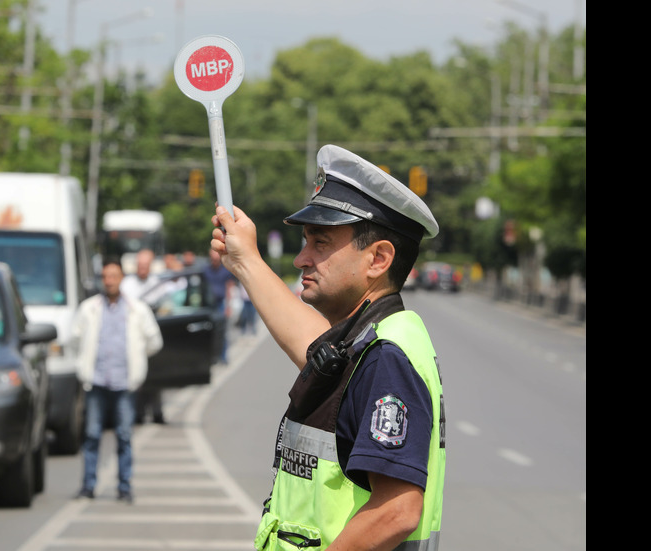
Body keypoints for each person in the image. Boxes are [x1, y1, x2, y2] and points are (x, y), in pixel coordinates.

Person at [210, 144, 445, 550]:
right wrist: (245, 258)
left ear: (378, 259)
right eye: (305, 242)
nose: (302, 258)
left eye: (320, 243)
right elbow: (312, 345)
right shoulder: (369, 339)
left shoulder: (385, 355)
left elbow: (398, 510)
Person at [71, 258, 163, 503]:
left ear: (122, 279)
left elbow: (155, 341)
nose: (109, 281)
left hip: (124, 383)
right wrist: (83, 365)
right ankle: (88, 486)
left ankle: (124, 487)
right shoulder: (90, 308)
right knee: (91, 435)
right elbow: (75, 338)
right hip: (97, 381)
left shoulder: (136, 309)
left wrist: (137, 358)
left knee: (124, 435)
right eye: (105, 276)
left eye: (113, 276)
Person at [203, 247, 236, 364]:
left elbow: (229, 287)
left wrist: (228, 306)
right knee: (210, 332)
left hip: (221, 302)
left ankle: (223, 356)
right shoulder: (206, 270)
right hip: (209, 304)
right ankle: (212, 357)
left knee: (223, 331)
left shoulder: (225, 270)